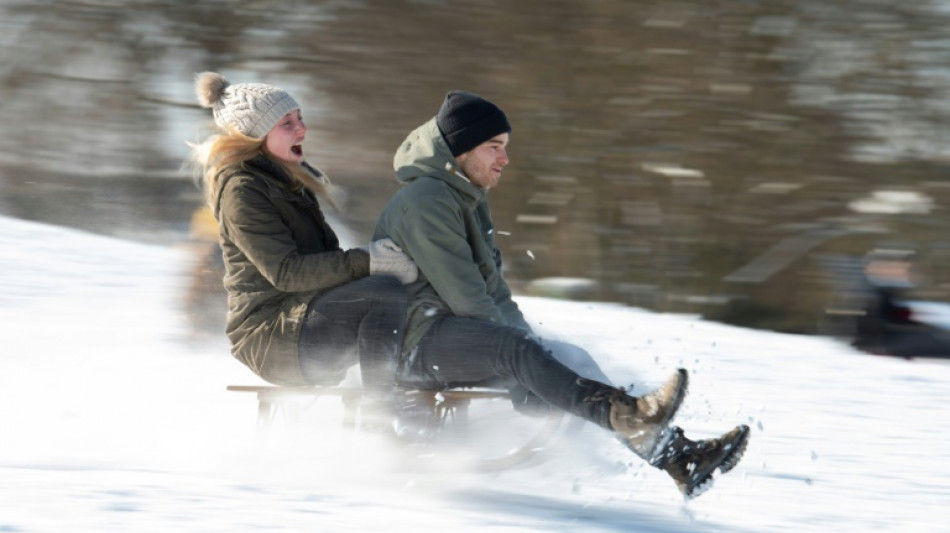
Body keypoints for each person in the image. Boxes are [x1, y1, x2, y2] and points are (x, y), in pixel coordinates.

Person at [373, 90, 750, 498]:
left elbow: (494, 292)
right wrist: (525, 368)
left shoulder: (466, 198)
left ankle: (679, 457)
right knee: (521, 352)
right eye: (494, 147)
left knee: (570, 358)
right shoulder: (426, 201)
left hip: (455, 333)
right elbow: (467, 297)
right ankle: (635, 422)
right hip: (413, 342)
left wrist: (538, 355)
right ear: (460, 149)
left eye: (506, 147)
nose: (505, 159)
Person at [189, 72, 418, 400]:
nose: (302, 129)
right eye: (287, 123)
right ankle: (383, 416)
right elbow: (286, 272)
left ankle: (424, 392)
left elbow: (323, 263)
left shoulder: (288, 183)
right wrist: (370, 262)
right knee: (382, 293)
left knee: (411, 293)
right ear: (255, 133)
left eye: (300, 118)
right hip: (270, 336)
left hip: (299, 317)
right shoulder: (243, 190)